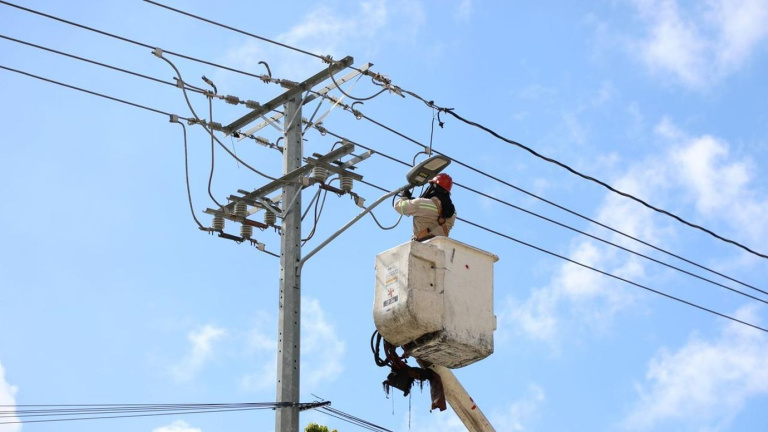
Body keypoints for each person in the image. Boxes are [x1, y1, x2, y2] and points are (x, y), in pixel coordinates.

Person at [394, 173, 456, 241]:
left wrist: (404, 197)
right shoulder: (453, 212)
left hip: (422, 246)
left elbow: (398, 206)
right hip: (441, 248)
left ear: (433, 186)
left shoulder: (420, 204)